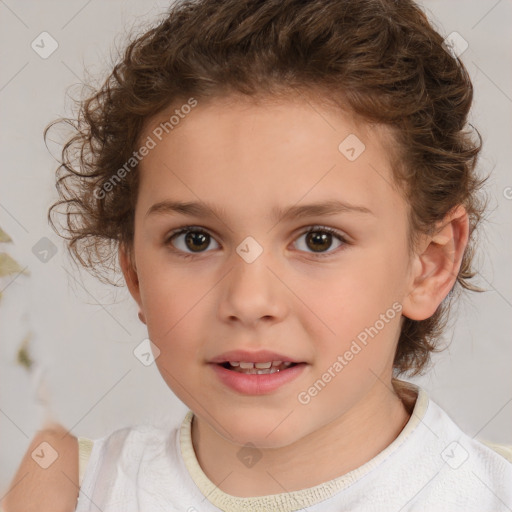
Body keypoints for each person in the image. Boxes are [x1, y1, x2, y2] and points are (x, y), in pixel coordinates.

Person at [3, 0, 511, 510]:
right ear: (134, 270)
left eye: (318, 239)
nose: (249, 301)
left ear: (429, 264)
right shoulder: (62, 489)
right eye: (195, 239)